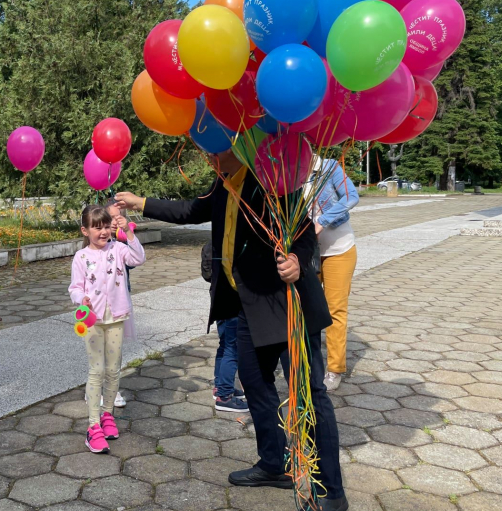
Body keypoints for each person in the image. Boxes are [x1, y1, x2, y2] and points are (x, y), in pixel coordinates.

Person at [116, 149, 348, 511]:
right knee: (255, 387)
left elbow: (302, 235)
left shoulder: (272, 182)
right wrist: (139, 202)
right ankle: (275, 464)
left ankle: (332, 490)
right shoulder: (224, 182)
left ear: (237, 145)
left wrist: (298, 263)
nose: (208, 154)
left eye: (215, 147)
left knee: (309, 395)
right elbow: (192, 211)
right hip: (247, 306)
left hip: (286, 305)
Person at [69, 205, 145, 454]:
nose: (102, 232)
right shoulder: (81, 258)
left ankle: (107, 416)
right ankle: (92, 427)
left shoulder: (119, 249)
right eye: (96, 227)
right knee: (97, 370)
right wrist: (82, 299)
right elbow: (75, 287)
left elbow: (139, 258)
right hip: (92, 320)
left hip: (116, 317)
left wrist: (128, 233)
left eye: (105, 227)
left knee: (113, 369)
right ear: (85, 230)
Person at [310, 157, 359, 392]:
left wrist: (322, 221)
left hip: (339, 249)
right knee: (303, 308)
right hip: (306, 252)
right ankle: (304, 362)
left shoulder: (329, 167)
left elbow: (352, 197)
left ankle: (334, 368)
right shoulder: (289, 170)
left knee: (334, 310)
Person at [201, 241, 248, 413]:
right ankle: (225, 396)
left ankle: (220, 386)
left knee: (224, 344)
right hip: (232, 303)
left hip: (218, 302)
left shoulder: (211, 243)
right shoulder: (233, 245)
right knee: (232, 348)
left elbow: (206, 274)